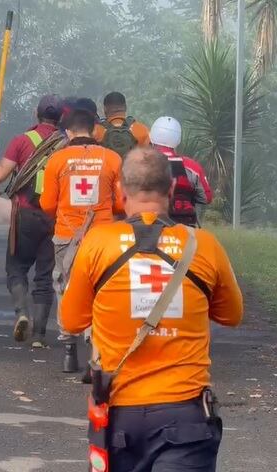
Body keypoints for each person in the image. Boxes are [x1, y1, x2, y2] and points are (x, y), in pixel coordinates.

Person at [61, 148, 244, 472]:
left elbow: (72, 321)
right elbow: (231, 315)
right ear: (172, 191)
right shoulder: (204, 245)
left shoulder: (96, 243)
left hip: (119, 422)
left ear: (119, 192)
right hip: (186, 419)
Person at [39, 108, 124, 372]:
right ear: (96, 130)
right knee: (99, 290)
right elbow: (122, 203)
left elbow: (47, 203)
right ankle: (94, 355)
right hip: (103, 239)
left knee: (66, 287)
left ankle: (68, 351)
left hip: (67, 238)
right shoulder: (112, 158)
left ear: (67, 132)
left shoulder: (56, 160)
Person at [0, 94, 64, 347]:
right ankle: (40, 337)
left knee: (16, 267)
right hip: (54, 218)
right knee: (44, 276)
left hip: (25, 215)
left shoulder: (22, 140)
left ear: (36, 113)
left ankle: (22, 313)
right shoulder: (66, 144)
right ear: (61, 117)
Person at [150, 116, 213, 227]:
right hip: (185, 227)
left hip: (152, 226)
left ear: (152, 137)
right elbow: (206, 198)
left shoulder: (143, 164)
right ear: (178, 140)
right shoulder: (193, 167)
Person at [93, 92, 151, 158]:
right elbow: (149, 157)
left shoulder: (96, 131)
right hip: (131, 167)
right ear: (125, 107)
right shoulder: (142, 129)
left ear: (105, 109)